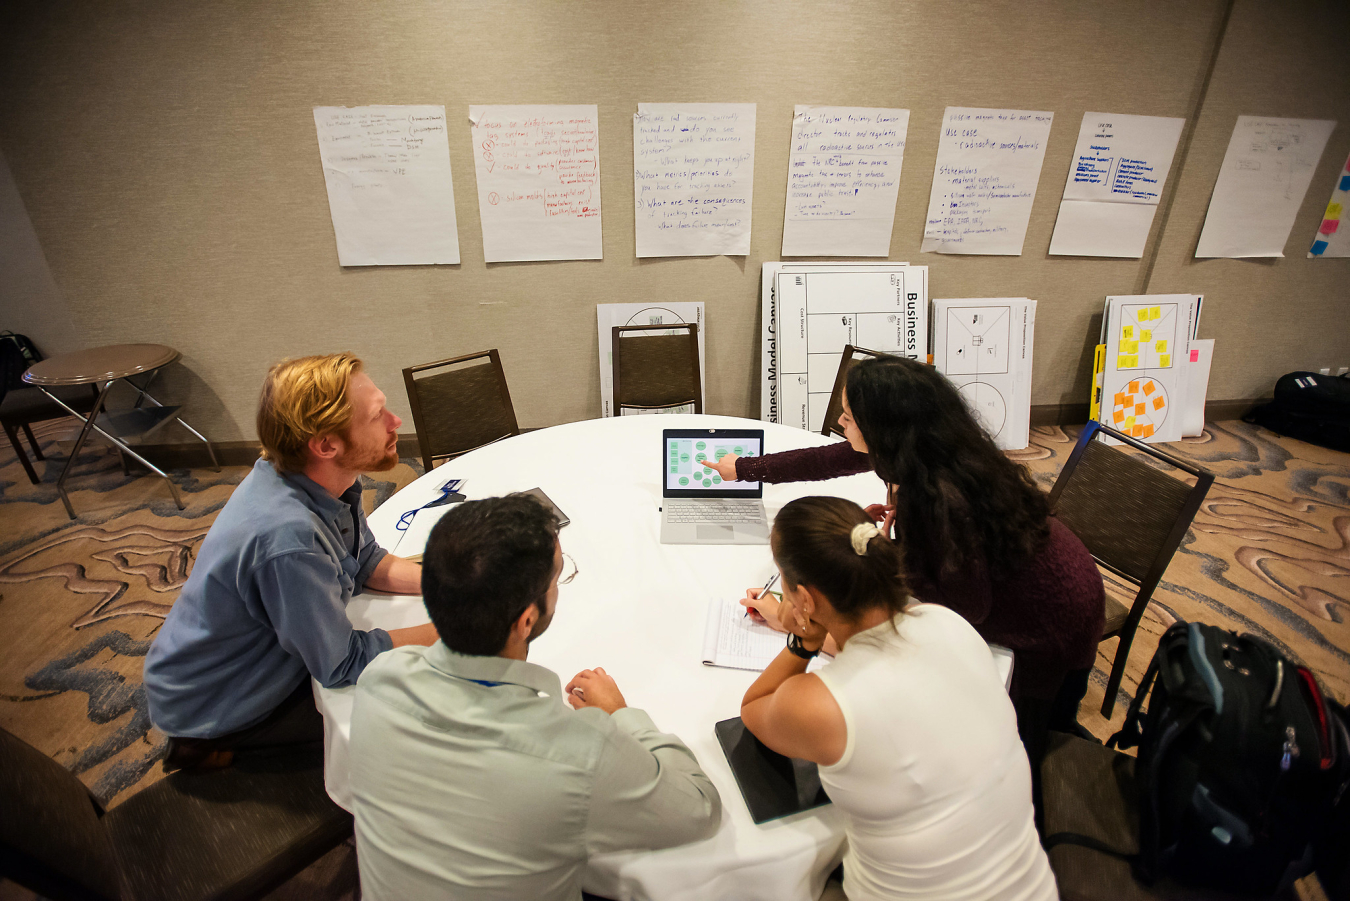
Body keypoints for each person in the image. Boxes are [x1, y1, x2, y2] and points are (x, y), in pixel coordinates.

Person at [715, 356, 1104, 749]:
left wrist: (880, 567)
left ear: (882, 426)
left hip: (1048, 628)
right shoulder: (927, 446)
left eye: (849, 416)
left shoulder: (937, 499)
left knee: (1032, 739)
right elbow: (823, 460)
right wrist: (745, 468)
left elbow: (961, 611)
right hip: (1043, 574)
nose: (841, 422)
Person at [349, 493, 721, 901]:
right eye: (557, 578)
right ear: (526, 619)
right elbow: (698, 809)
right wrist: (620, 715)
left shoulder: (378, 682)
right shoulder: (577, 751)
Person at [741, 496, 1057, 901]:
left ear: (806, 599)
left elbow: (754, 707)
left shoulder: (819, 705)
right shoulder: (945, 621)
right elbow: (877, 646)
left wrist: (804, 643)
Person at [144, 353, 436, 770]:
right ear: (326, 445)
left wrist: (448, 584)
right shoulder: (289, 538)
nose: (395, 422)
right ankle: (212, 751)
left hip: (237, 658)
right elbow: (342, 663)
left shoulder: (317, 477)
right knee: (417, 729)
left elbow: (365, 560)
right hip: (214, 702)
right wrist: (459, 627)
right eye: (377, 416)